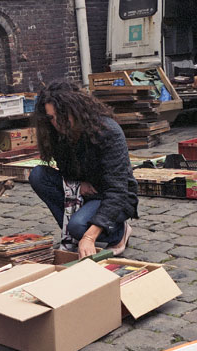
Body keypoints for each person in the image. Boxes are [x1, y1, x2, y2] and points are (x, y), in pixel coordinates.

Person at [28, 81, 138, 258]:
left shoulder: (108, 131)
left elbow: (118, 190)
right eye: (51, 118)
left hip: (111, 196)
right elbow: (66, 171)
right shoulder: (57, 133)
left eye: (61, 116)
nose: (56, 123)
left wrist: (88, 236)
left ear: (76, 109)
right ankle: (77, 232)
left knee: (78, 227)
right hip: (83, 192)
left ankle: (118, 232)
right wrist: (78, 184)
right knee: (39, 175)